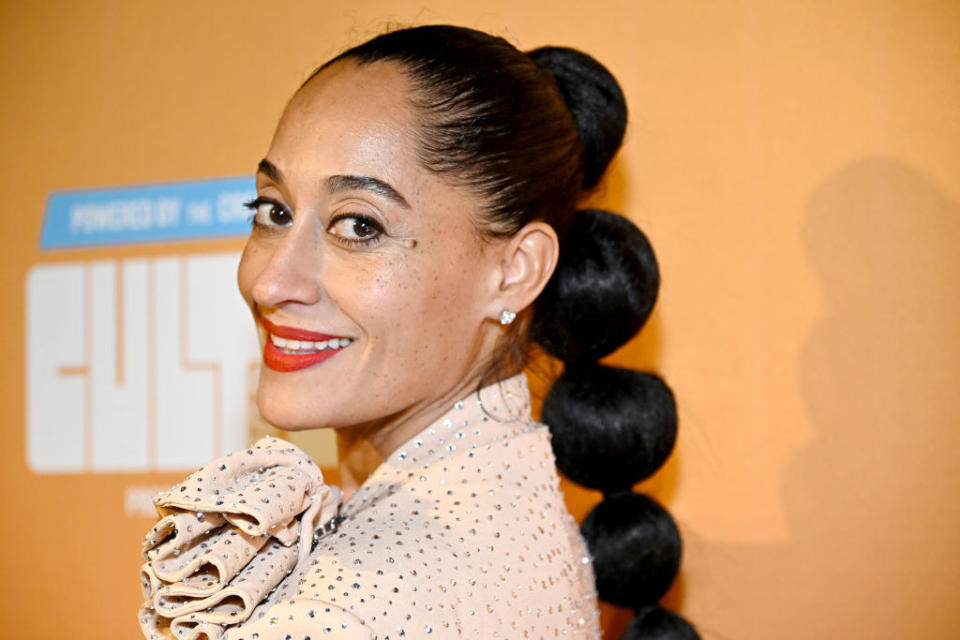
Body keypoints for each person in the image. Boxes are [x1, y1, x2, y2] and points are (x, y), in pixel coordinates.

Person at [138, 25, 698, 640]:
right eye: (274, 211)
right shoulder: (511, 515)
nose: (270, 282)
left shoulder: (351, 609)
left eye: (358, 226)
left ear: (515, 270)